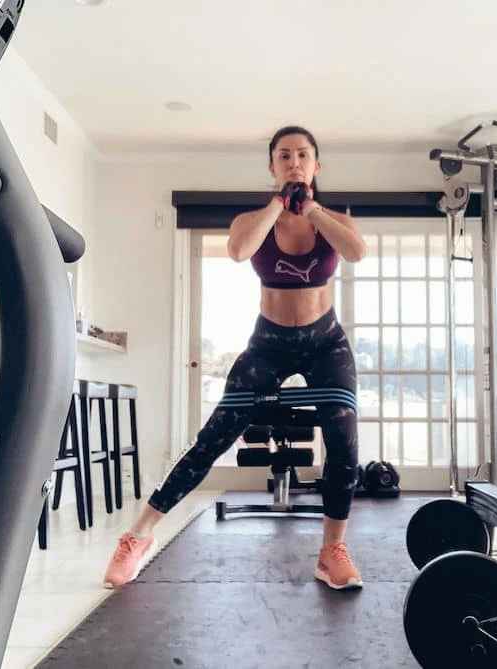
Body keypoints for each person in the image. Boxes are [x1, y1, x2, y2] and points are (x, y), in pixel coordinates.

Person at [103, 125, 367, 590]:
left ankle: (332, 551)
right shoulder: (252, 219)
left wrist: (312, 209)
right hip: (268, 343)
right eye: (284, 156)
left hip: (325, 343)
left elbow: (357, 252)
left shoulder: (336, 220)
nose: (294, 163)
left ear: (316, 165)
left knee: (343, 436)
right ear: (272, 166)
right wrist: (278, 205)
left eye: (302, 155)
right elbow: (239, 250)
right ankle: (138, 536)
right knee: (215, 435)